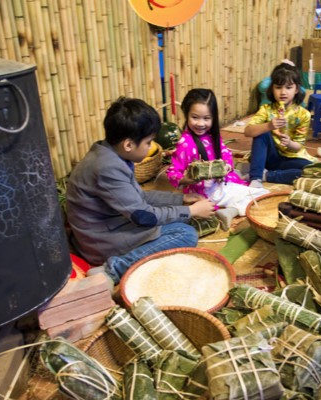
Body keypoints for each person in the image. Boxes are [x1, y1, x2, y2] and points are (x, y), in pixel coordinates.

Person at [65, 97, 215, 285]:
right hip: (100, 241)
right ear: (128, 145)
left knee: (180, 222)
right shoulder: (107, 168)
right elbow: (144, 216)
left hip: (107, 227)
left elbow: (140, 196)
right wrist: (191, 211)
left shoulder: (110, 153)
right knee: (185, 234)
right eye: (148, 142)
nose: (151, 147)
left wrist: (181, 199)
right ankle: (113, 269)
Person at [166, 88, 268, 229]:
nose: (201, 123)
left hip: (222, 184)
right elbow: (172, 171)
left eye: (206, 118)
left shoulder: (213, 136)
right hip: (204, 191)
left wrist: (226, 167)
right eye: (195, 117)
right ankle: (231, 210)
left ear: (213, 117)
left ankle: (230, 210)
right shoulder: (184, 143)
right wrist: (184, 179)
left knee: (262, 195)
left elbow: (226, 156)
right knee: (253, 199)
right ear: (186, 114)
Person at [244, 61, 315, 188]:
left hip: (291, 159)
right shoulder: (266, 109)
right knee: (261, 132)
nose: (283, 92)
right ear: (272, 88)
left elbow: (298, 146)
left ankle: (267, 175)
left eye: (288, 87)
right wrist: (269, 126)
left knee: (310, 171)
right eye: (278, 87)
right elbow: (247, 131)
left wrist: (289, 143)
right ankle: (255, 177)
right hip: (270, 157)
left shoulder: (304, 114)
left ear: (296, 89)